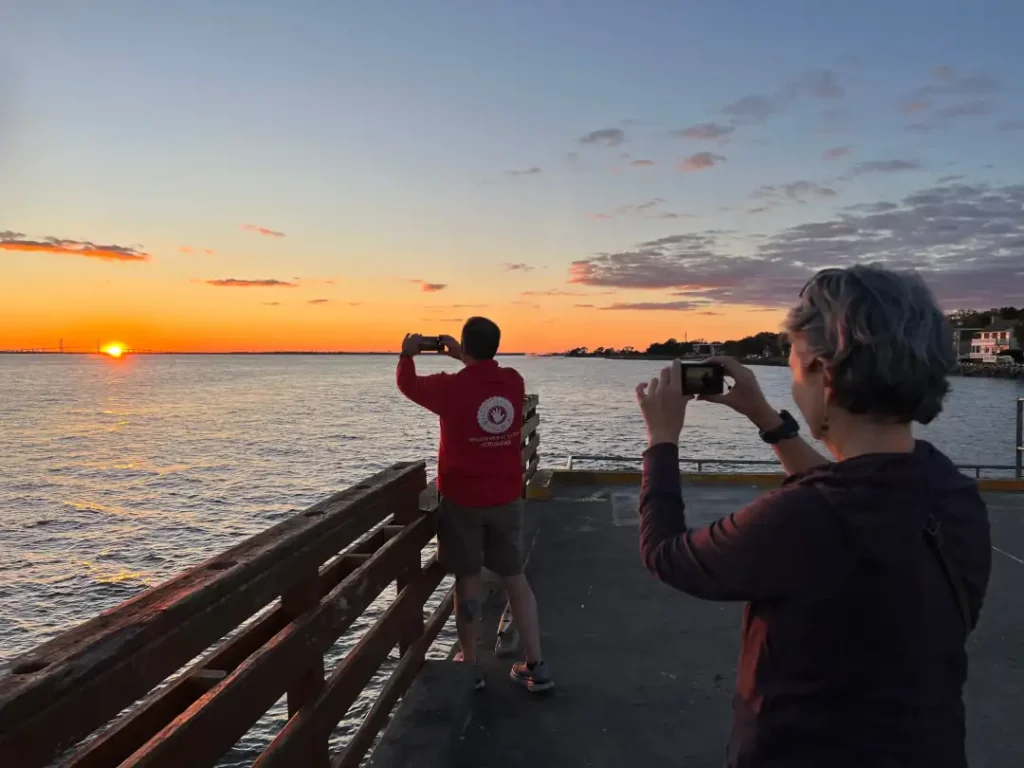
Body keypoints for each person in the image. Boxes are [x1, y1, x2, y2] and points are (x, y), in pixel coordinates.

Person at [635, 265, 991, 767]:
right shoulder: (951, 491)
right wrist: (765, 417)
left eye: (795, 361)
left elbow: (667, 555)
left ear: (826, 373)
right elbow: (850, 489)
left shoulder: (804, 519)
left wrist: (661, 442)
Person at [397, 316, 553, 692]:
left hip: (463, 501)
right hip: (505, 498)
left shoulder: (451, 389)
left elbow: (408, 384)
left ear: (464, 347)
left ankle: (470, 663)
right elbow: (482, 378)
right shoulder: (513, 382)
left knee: (467, 582)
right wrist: (464, 356)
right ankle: (536, 663)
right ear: (496, 346)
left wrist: (407, 354)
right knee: (515, 579)